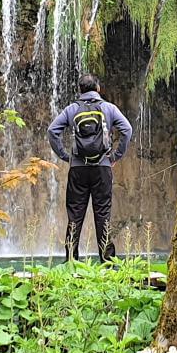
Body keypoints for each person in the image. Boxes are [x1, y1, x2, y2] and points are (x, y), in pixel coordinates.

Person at [47, 75, 132, 263]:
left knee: (75, 214)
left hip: (78, 167)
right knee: (103, 213)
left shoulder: (72, 109)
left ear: (80, 90)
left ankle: (70, 260)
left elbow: (52, 131)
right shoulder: (109, 108)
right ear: (98, 88)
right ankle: (108, 261)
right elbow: (127, 129)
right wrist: (116, 156)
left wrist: (64, 156)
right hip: (102, 166)